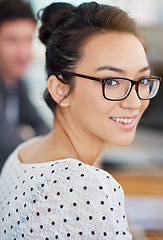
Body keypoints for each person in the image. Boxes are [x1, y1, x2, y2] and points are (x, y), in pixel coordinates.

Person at [0, 2, 161, 239]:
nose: (135, 102)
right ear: (61, 90)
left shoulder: (23, 154)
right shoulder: (87, 185)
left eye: (142, 80)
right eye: (112, 82)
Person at [0, 0, 50, 171]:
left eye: (28, 40)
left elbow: (45, 131)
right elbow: (7, 144)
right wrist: (25, 135)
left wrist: (26, 135)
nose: (23, 52)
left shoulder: (16, 84)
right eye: (12, 40)